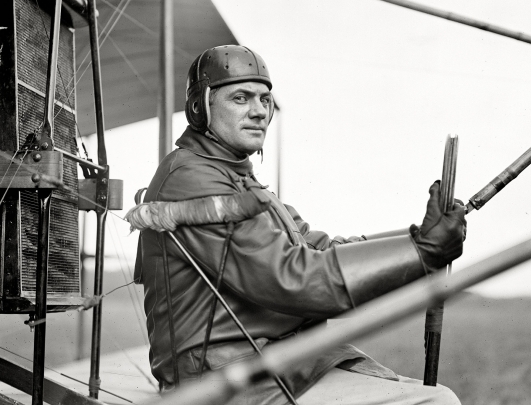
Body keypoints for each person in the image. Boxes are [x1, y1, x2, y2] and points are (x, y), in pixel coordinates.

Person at [132, 45, 466, 405]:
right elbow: (292, 280)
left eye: (264, 99)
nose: (259, 111)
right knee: (437, 402)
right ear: (201, 107)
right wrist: (422, 252)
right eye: (241, 98)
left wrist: (417, 238)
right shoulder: (194, 179)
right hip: (222, 382)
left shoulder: (238, 180)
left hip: (273, 364)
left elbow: (317, 249)